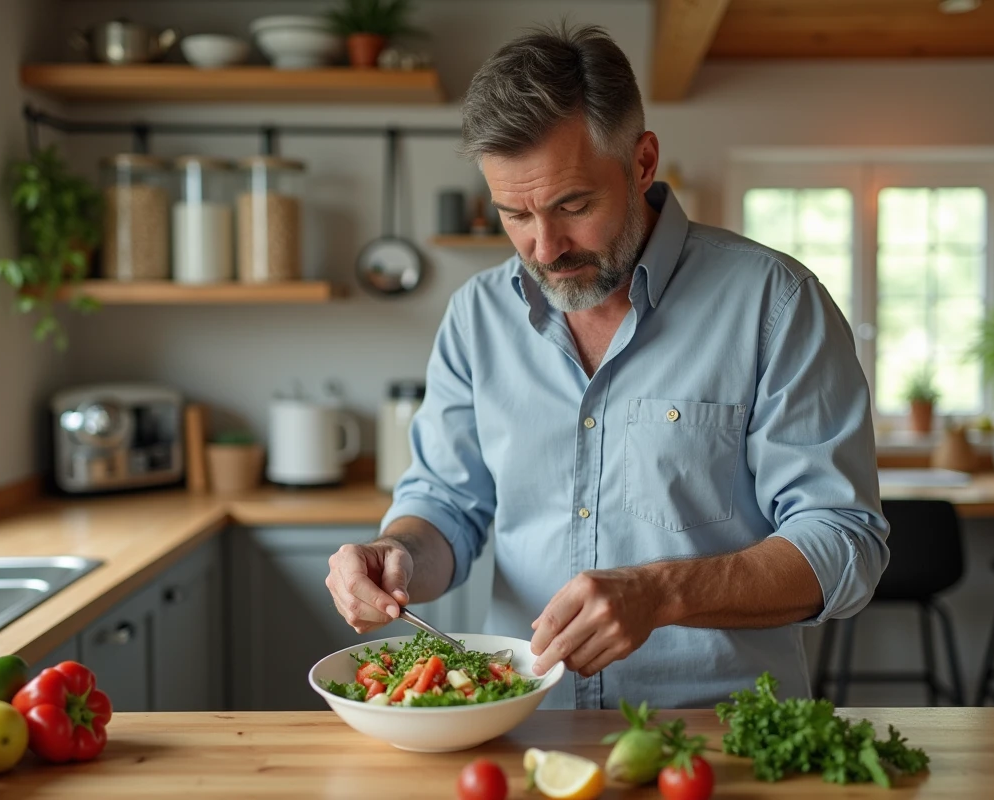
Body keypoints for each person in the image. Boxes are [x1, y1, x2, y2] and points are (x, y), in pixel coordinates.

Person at [325, 23, 888, 709]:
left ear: (643, 161)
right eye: (514, 214)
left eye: (573, 206)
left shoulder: (775, 304)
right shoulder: (477, 316)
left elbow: (843, 544)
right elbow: (445, 506)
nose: (545, 246)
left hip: (721, 739)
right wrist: (400, 553)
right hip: (526, 731)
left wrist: (662, 593)